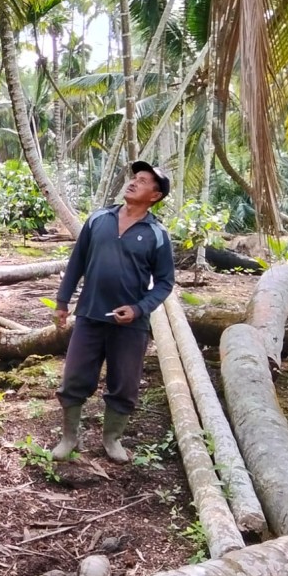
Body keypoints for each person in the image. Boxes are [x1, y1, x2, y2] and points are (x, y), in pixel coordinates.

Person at [51, 161, 175, 464]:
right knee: (74, 378)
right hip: (90, 315)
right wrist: (62, 302)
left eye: (143, 181)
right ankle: (69, 437)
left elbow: (165, 283)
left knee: (124, 383)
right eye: (134, 177)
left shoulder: (157, 234)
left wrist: (138, 309)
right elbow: (76, 263)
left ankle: (112, 440)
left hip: (131, 326)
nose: (133, 182)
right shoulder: (98, 220)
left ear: (155, 196)